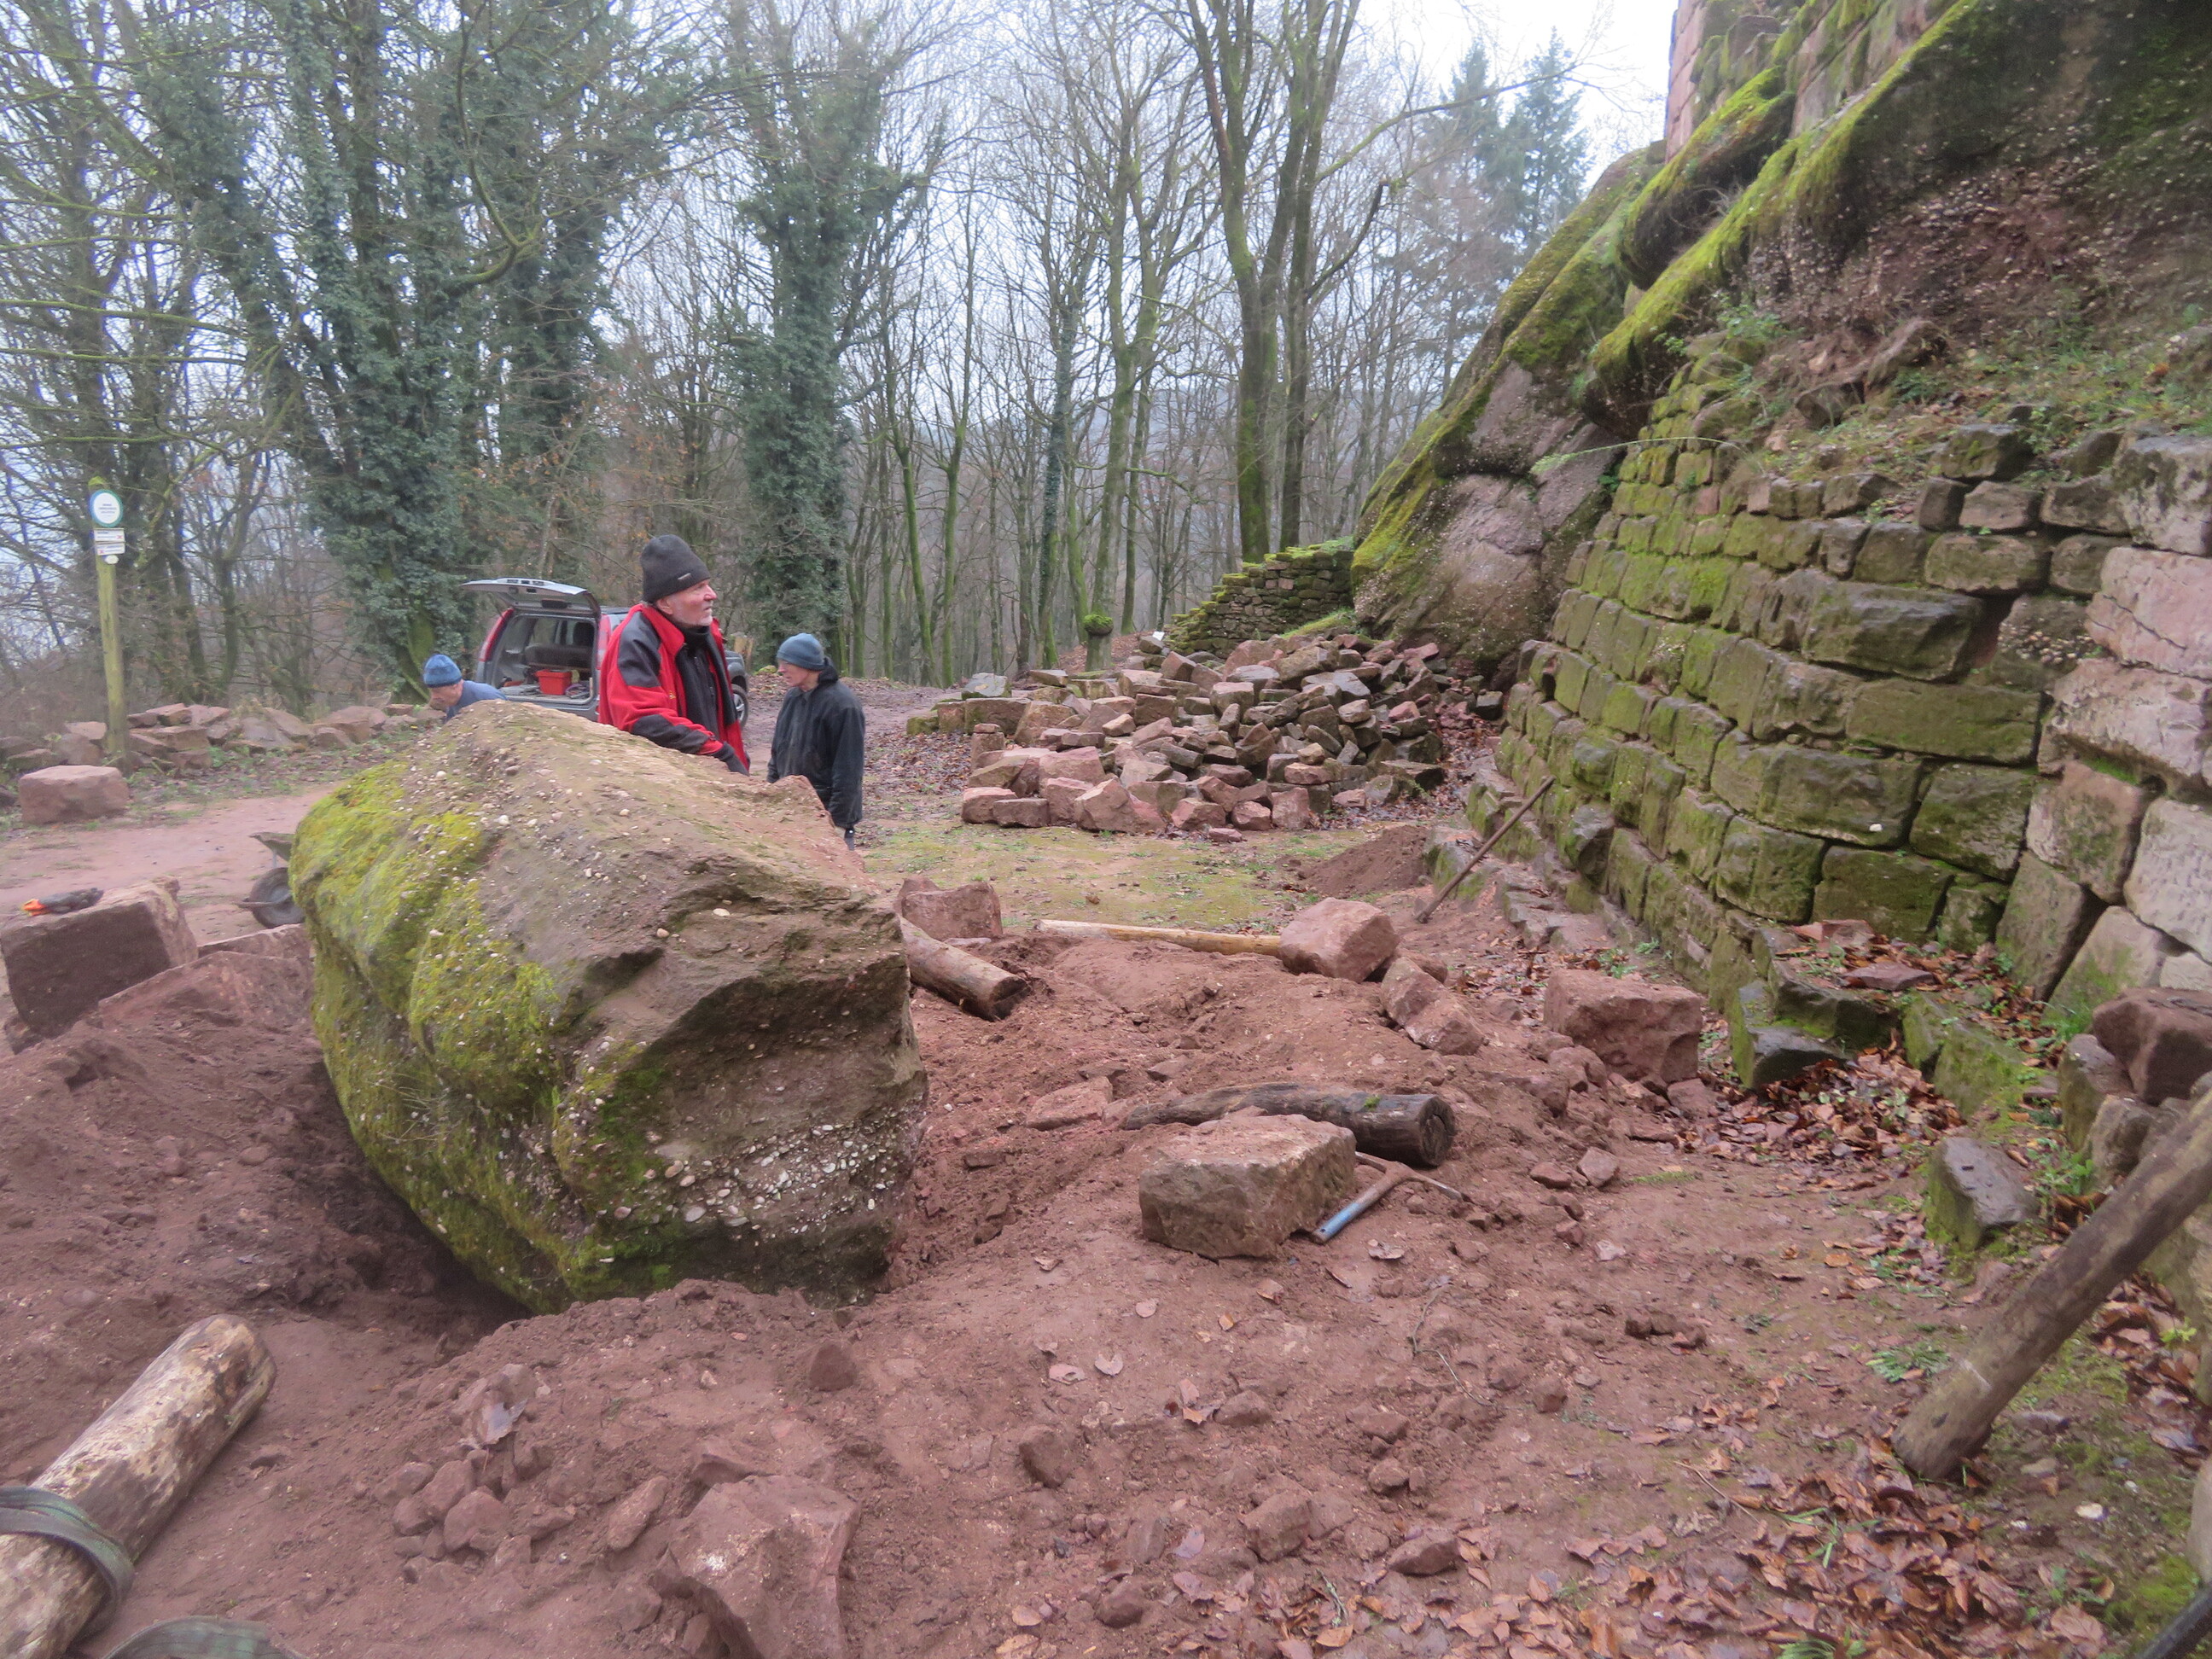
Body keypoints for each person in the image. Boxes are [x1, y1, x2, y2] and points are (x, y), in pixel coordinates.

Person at [598, 535, 750, 773]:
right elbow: (642, 719)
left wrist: (737, 758)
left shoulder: (704, 634)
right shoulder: (637, 642)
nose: (712, 594)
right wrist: (719, 752)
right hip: (659, 780)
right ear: (665, 604)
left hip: (703, 773)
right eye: (697, 588)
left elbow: (722, 714)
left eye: (707, 584)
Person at [767, 633, 864, 847]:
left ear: (807, 664)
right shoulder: (792, 697)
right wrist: (771, 795)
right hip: (790, 812)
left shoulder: (843, 705)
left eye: (787, 664)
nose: (781, 669)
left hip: (825, 814)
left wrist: (837, 822)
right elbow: (778, 753)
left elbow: (849, 771)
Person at [422, 653, 504, 719]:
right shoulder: (452, 704)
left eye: (437, 691)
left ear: (454, 685)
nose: (434, 697)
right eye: (432, 691)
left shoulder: (487, 697)